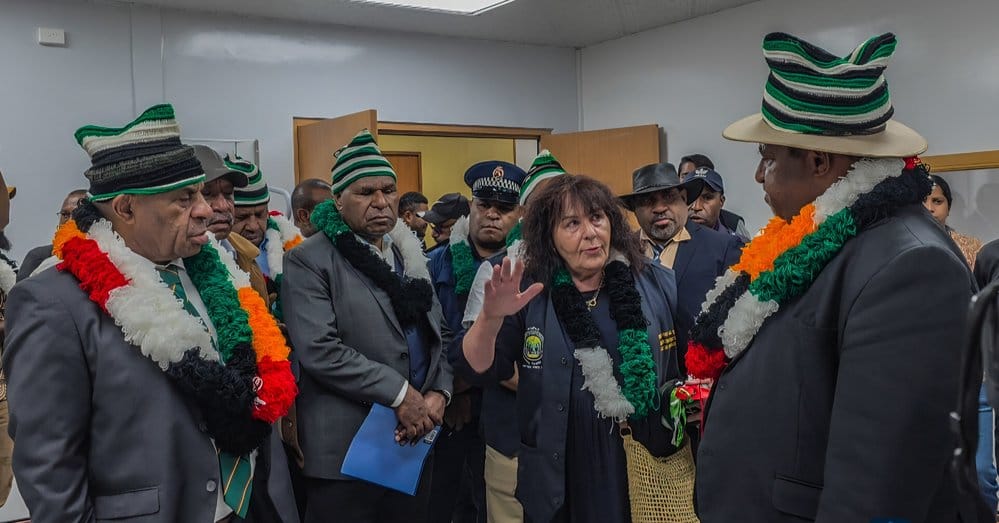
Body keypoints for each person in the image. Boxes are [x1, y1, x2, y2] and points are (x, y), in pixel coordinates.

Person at [688, 33, 977, 521]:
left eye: (769, 157)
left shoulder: (912, 266)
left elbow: (880, 483)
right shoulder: (815, 237)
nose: (759, 175)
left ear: (820, 163)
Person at [3, 103, 297, 522]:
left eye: (201, 193)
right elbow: (50, 466)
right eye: (185, 198)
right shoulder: (52, 302)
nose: (205, 209)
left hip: (254, 507)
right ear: (125, 209)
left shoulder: (221, 274)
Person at [456, 174, 687, 523]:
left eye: (597, 218)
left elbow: (681, 363)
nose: (590, 233)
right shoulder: (530, 291)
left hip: (636, 464)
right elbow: (478, 369)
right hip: (557, 468)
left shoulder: (654, 281)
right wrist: (490, 318)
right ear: (549, 236)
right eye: (572, 224)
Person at [282, 130, 452, 523]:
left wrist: (439, 392)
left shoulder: (408, 253)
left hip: (414, 441)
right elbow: (320, 350)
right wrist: (401, 395)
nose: (380, 202)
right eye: (365, 192)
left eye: (388, 190)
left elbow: (439, 334)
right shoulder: (310, 260)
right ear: (338, 200)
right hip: (346, 454)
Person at [427, 160, 526, 523]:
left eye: (504, 208)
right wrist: (454, 392)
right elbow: (432, 334)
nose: (492, 215)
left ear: (520, 213)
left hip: (506, 407)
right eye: (484, 205)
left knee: (496, 506)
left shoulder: (529, 265)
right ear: (471, 207)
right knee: (447, 504)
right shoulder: (436, 263)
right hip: (449, 405)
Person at [620, 162, 741, 374]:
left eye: (668, 197)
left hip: (700, 386)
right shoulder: (620, 253)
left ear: (684, 200)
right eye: (648, 201)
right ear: (634, 210)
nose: (659, 208)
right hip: (640, 383)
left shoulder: (723, 248)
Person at [230, 157, 303, 304]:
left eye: (259, 215)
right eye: (242, 217)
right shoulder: (218, 254)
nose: (253, 226)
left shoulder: (288, 241)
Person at [17, 188, 87, 281]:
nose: (70, 221)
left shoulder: (108, 257)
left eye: (77, 215)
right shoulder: (37, 257)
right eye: (65, 215)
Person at [678, 153, 750, 240]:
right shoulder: (667, 240)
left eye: (707, 198)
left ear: (721, 201)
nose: (696, 207)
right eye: (691, 197)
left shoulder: (737, 245)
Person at [925, 174, 984, 267]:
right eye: (922, 201)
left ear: (948, 207)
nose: (929, 208)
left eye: (937, 201)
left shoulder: (971, 248)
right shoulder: (900, 246)